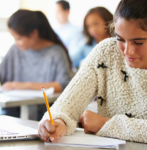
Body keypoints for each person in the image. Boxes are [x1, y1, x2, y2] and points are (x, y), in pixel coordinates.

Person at [38, 0, 147, 143]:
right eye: (120, 39)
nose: (128, 51)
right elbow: (68, 103)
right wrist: (58, 121)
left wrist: (105, 124)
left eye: (138, 42)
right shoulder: (106, 51)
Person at [0, 9, 71, 118]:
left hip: (44, 117)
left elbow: (62, 85)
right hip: (11, 114)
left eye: (19, 38)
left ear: (34, 33)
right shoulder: (15, 50)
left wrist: (23, 86)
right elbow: (1, 74)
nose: (16, 43)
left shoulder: (56, 53)